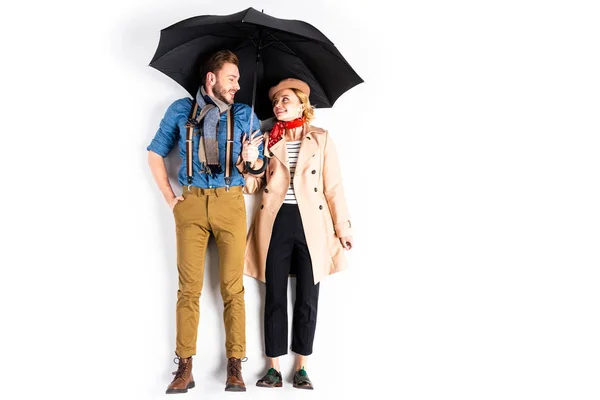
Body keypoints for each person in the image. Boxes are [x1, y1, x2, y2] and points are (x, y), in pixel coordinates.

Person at [147, 49, 264, 393]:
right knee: (189, 289)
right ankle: (184, 367)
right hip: (193, 203)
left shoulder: (245, 114)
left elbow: (257, 172)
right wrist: (171, 200)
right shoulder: (181, 111)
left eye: (239, 80)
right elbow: (155, 153)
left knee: (232, 288)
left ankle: (235, 365)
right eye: (232, 78)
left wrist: (250, 160)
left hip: (230, 201)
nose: (237, 86)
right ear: (211, 79)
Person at [243, 78, 353, 390]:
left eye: (285, 99)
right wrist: (250, 160)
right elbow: (251, 187)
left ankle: (302, 367)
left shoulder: (321, 138)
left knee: (308, 295)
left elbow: (333, 187)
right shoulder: (265, 139)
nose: (279, 105)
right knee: (274, 295)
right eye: (276, 101)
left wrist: (343, 228)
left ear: (301, 102)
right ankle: (273, 368)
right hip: (275, 222)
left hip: (313, 225)